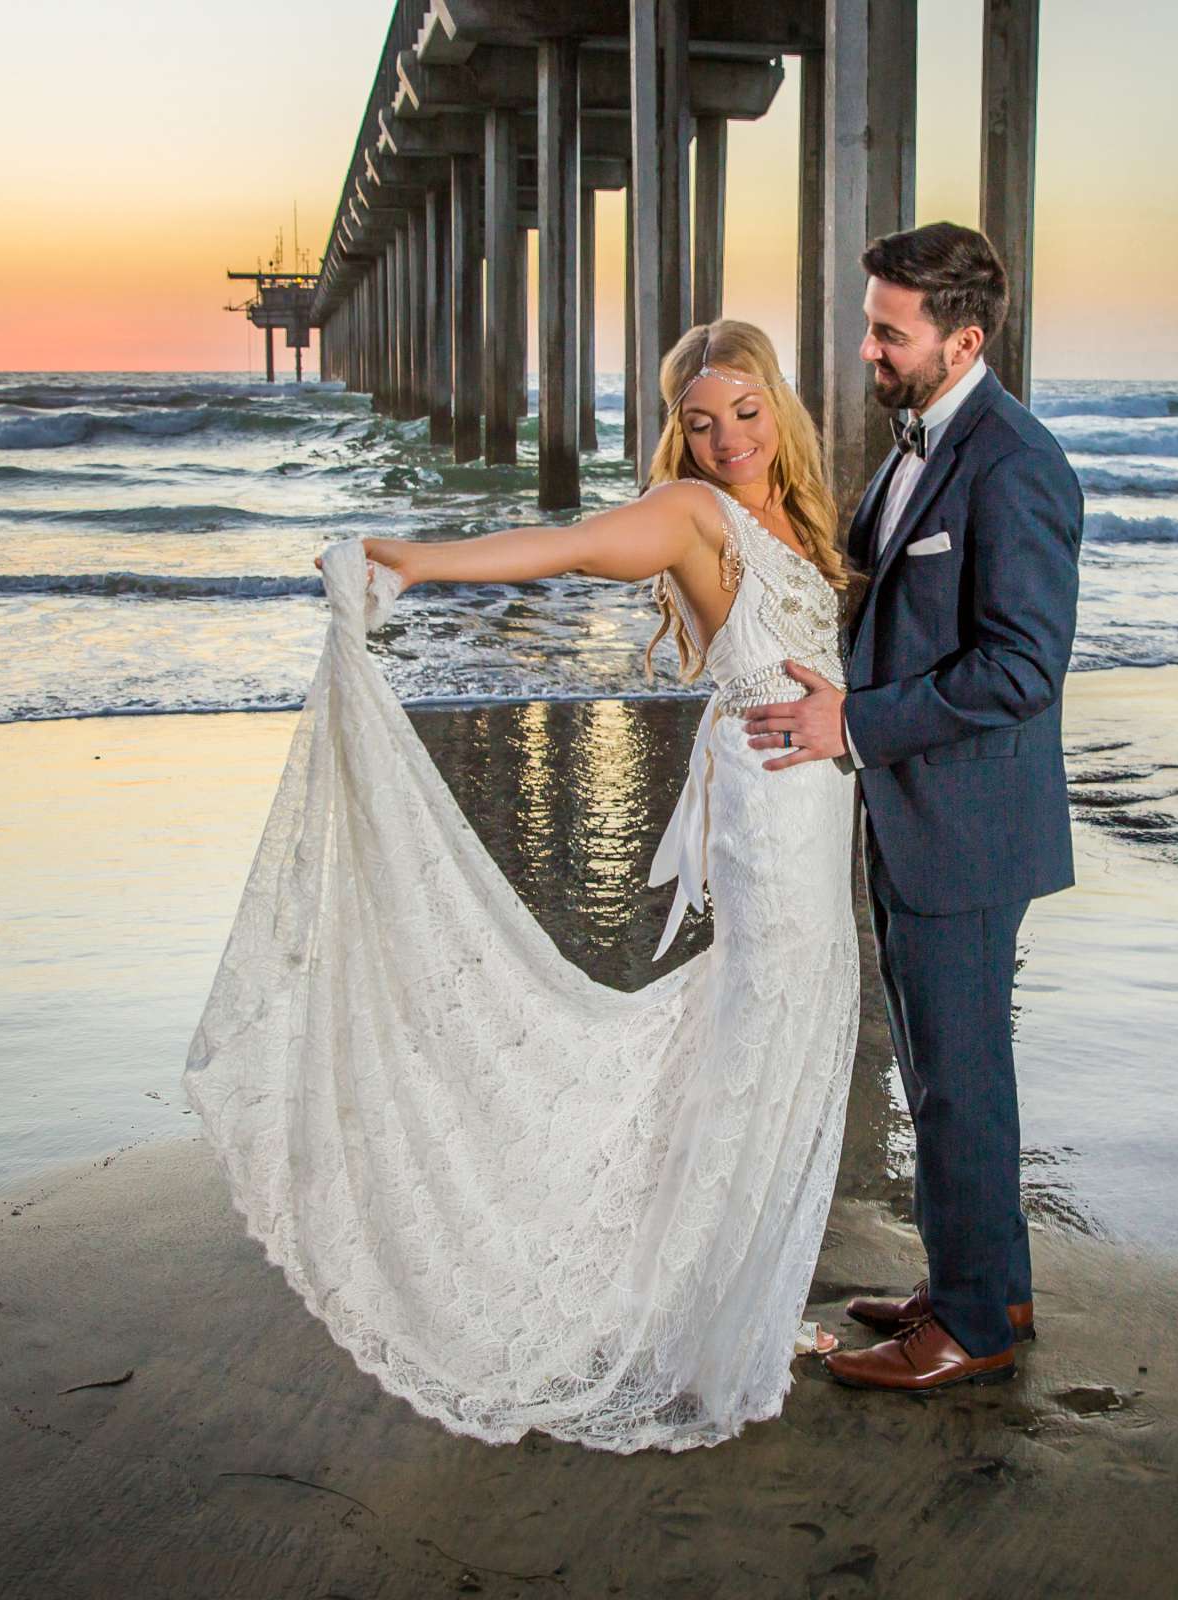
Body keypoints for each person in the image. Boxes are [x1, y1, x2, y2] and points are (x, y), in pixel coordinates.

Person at [185, 319, 866, 1454]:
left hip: (814, 797)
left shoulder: (801, 512)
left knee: (786, 1029)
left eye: (744, 411)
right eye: (699, 423)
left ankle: (734, 1300)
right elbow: (573, 547)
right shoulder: (697, 513)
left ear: (777, 405)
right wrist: (417, 557)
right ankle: (705, 1322)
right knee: (764, 1032)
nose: (726, 437)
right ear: (679, 436)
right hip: (766, 808)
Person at [738, 221, 1085, 1392]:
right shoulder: (917, 446)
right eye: (869, 325)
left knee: (960, 1074)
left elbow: (1023, 670)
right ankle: (983, 1282)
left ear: (964, 338)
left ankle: (975, 1325)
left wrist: (855, 723)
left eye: (890, 332)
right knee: (950, 1070)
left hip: (969, 825)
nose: (867, 350)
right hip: (920, 813)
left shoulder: (1015, 461)